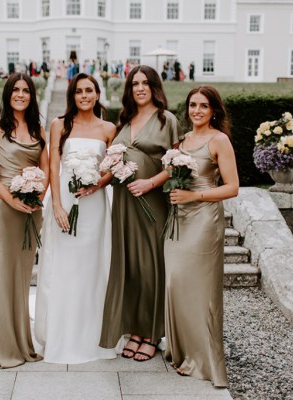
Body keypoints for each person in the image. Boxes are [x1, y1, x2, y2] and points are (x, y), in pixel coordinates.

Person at [34, 73, 121, 364]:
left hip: (94, 206)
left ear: (97, 94)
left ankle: (93, 336)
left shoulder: (109, 128)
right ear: (72, 96)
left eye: (89, 90)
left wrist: (98, 184)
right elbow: (54, 165)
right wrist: (56, 205)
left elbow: (114, 167)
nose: (84, 95)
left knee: (92, 267)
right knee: (64, 267)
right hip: (66, 203)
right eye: (79, 91)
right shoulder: (59, 125)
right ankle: (61, 336)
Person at [99, 65, 178, 361]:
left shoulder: (166, 119)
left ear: (155, 87)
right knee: (129, 265)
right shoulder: (125, 119)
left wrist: (150, 182)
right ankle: (133, 329)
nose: (140, 88)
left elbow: (176, 162)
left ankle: (151, 332)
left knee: (149, 266)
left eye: (146, 83)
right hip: (124, 202)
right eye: (135, 84)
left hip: (151, 201)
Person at [164, 85, 239, 387]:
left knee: (202, 289)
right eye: (193, 105)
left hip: (204, 219)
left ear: (214, 111)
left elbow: (232, 187)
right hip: (178, 219)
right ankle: (183, 352)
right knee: (176, 283)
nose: (197, 111)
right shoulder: (181, 141)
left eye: (203, 106)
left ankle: (204, 359)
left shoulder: (219, 140)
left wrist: (195, 197)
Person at [0, 73, 49, 369]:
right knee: (0, 274)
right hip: (1, 206)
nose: (20, 94)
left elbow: (45, 170)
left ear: (32, 96)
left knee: (21, 278)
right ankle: (0, 346)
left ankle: (21, 343)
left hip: (30, 211)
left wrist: (36, 199)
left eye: (26, 90)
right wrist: (10, 199)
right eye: (15, 90)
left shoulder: (38, 129)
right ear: (7, 94)